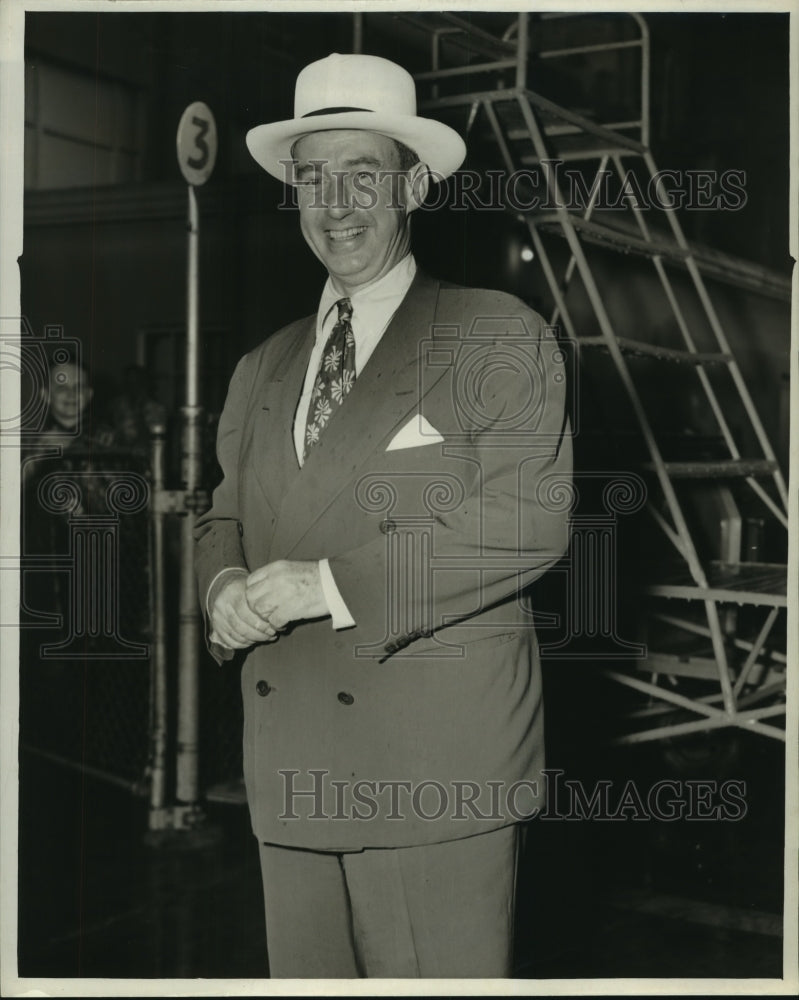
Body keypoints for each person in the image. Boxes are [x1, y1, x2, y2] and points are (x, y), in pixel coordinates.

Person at [194, 53, 572, 979]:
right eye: (312, 177)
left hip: (433, 778)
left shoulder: (495, 333)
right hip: (288, 774)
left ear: (415, 185)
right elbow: (221, 515)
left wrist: (330, 584)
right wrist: (224, 586)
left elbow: (527, 515)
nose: (336, 202)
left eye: (364, 173)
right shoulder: (262, 366)